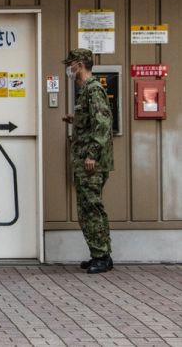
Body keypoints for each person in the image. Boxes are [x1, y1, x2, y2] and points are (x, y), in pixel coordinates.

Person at [62, 49, 114, 274]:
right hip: (85, 160)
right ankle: (100, 254)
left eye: (71, 64)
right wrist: (76, 119)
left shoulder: (93, 90)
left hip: (90, 162)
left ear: (80, 64)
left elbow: (103, 125)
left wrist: (92, 154)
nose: (69, 69)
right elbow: (93, 119)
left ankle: (101, 256)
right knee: (87, 208)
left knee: (91, 208)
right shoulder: (86, 91)